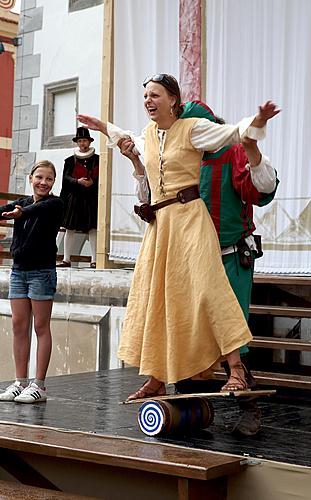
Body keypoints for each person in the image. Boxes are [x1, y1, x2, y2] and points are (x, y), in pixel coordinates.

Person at [77, 73, 280, 401]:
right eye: (146, 96)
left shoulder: (203, 136)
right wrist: (104, 127)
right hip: (164, 228)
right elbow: (131, 141)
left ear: (174, 100)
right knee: (157, 298)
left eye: (155, 95)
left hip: (206, 233)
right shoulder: (152, 136)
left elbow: (238, 142)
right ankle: (158, 377)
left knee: (214, 295)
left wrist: (255, 125)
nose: (148, 101)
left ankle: (238, 373)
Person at [119, 100, 279, 433]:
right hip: (183, 258)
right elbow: (151, 196)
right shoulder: (169, 152)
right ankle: (191, 404)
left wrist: (251, 149)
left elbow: (261, 191)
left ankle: (248, 407)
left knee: (229, 326)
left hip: (228, 255)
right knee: (183, 327)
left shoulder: (227, 152)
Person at [0, 160, 63, 403]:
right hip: (18, 272)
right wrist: (17, 211)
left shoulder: (55, 203)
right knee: (18, 325)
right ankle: (20, 382)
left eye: (48, 179)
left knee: (41, 327)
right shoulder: (22, 203)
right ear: (31, 178)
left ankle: (39, 385)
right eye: (39, 177)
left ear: (53, 182)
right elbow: (6, 209)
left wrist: (21, 213)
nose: (43, 182)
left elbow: (37, 210)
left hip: (42, 273)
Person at [57, 127, 99, 268]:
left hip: (90, 198)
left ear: (89, 141)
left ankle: (95, 260)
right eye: (80, 141)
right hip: (75, 199)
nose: (82, 143)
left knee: (93, 228)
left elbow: (101, 177)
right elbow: (66, 178)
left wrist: (93, 182)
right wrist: (77, 181)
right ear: (77, 142)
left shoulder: (98, 159)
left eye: (84, 140)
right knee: (70, 228)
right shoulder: (70, 160)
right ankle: (66, 259)